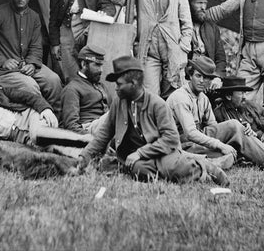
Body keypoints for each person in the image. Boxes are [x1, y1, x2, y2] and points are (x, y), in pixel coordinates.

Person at [78, 56, 228, 185]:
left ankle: (203, 167)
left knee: (175, 170)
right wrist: (84, 156)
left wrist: (141, 153)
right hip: (134, 157)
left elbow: (171, 139)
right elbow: (103, 134)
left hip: (162, 153)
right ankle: (153, 168)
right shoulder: (119, 102)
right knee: (138, 170)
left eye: (119, 84)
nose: (115, 89)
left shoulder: (157, 104)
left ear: (134, 84)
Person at [109, 0, 193, 96]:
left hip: (173, 51)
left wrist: (182, 47)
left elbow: (187, 24)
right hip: (149, 51)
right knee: (150, 94)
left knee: (174, 93)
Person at [165, 56, 247, 170]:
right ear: (190, 76)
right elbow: (191, 133)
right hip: (178, 144)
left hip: (194, 143)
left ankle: (214, 160)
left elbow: (214, 127)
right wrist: (220, 145)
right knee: (224, 151)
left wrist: (238, 131)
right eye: (198, 76)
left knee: (234, 126)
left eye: (207, 78)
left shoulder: (203, 98)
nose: (202, 81)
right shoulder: (181, 98)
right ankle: (209, 161)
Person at [60, 42, 109, 134]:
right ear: (84, 64)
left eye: (102, 65)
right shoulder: (72, 89)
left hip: (105, 128)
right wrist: (94, 140)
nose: (101, 70)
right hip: (90, 130)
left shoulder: (100, 86)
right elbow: (71, 126)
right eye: (97, 65)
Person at [186, 0, 227, 90]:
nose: (203, 7)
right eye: (199, 3)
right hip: (186, 78)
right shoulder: (180, 26)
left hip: (209, 78)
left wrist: (218, 77)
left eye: (204, 3)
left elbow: (220, 58)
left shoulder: (212, 28)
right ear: (188, 3)